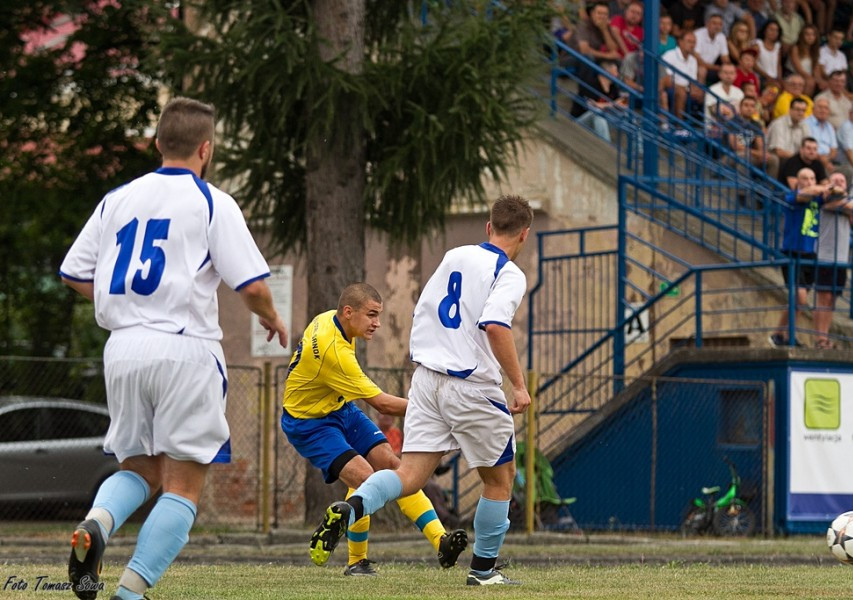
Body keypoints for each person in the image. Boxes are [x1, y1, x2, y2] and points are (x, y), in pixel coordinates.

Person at [59, 97, 290, 600]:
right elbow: (250, 285)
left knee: (138, 468)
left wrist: (123, 305)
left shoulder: (116, 199)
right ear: (206, 149)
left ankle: (96, 524)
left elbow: (74, 273)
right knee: (184, 485)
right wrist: (272, 317)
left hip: (123, 349)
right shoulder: (212, 201)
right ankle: (131, 591)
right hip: (185, 350)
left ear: (158, 143)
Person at [309, 195, 534, 586]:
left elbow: (424, 309)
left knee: (409, 474)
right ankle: (483, 571)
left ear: (488, 227)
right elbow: (496, 325)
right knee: (499, 480)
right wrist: (518, 385)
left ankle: (353, 505)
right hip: (470, 384)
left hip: (427, 379)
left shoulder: (454, 256)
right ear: (525, 235)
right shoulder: (509, 273)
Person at [282, 283, 467, 576]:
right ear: (348, 312)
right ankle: (356, 561)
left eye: (378, 315)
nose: (377, 323)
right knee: (368, 479)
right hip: (309, 423)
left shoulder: (330, 319)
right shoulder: (335, 352)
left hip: (340, 409)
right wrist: (438, 407)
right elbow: (383, 404)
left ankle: (440, 541)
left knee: (395, 467)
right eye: (371, 315)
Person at [770, 167, 833, 346]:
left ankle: (784, 334)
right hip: (792, 253)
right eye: (805, 178)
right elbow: (810, 192)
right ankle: (781, 334)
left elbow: (837, 195)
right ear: (798, 182)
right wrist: (824, 186)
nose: (809, 182)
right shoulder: (792, 196)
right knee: (800, 297)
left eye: (812, 178)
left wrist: (831, 188)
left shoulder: (817, 198)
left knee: (798, 301)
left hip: (809, 254)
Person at [813, 172, 853, 348]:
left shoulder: (848, 205)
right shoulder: (827, 200)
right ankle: (820, 338)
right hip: (825, 256)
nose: (839, 183)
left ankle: (824, 336)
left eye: (842, 180)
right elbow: (845, 205)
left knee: (832, 300)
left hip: (841, 258)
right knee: (823, 298)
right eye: (836, 180)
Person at [768, 97, 813, 163]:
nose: (800, 113)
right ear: (790, 110)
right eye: (797, 110)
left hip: (797, 160)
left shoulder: (805, 125)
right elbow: (778, 152)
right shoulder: (779, 124)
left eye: (803, 110)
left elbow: (808, 147)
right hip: (781, 160)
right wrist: (800, 157)